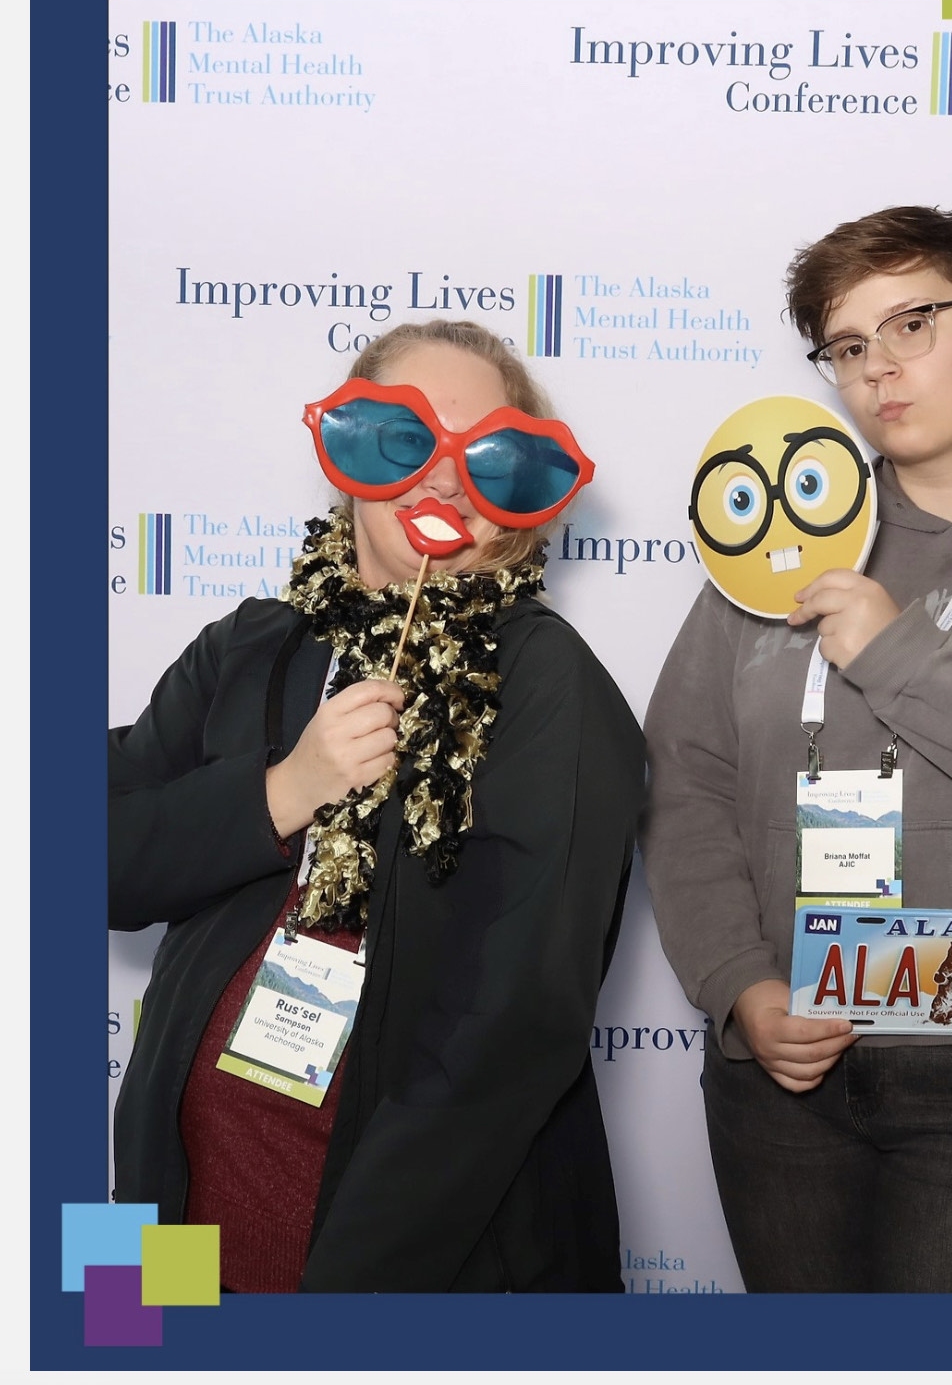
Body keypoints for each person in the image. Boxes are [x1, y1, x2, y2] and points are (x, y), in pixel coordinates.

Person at [110, 318, 645, 1294]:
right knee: (113, 1342)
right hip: (163, 1201)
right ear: (349, 452)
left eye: (483, 456)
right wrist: (286, 789)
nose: (443, 481)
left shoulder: (548, 682)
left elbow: (511, 1032)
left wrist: (347, 1311)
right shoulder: (249, 642)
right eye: (407, 439)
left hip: (400, 1264)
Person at [640, 206, 952, 1293]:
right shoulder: (787, 536)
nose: (879, 367)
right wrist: (741, 987)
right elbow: (688, 783)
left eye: (913, 323)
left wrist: (897, 651)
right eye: (848, 345)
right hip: (789, 1079)